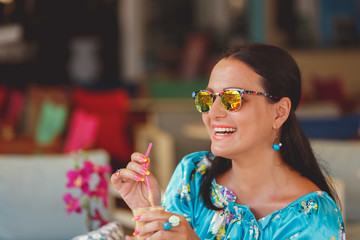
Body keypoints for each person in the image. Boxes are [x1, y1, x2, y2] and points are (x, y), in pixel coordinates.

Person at [111, 43, 345, 239]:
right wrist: (147, 210)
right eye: (207, 98)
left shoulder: (311, 217)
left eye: (232, 98)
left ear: (279, 112)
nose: (213, 113)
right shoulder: (192, 176)